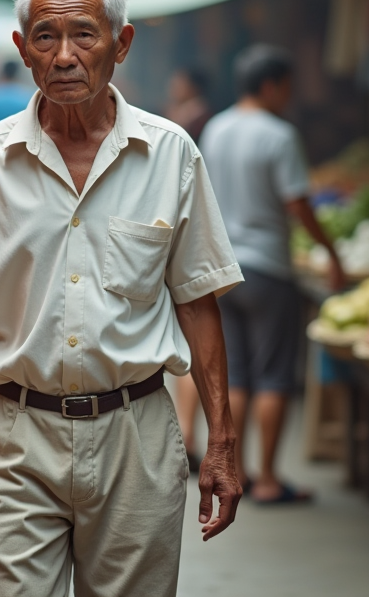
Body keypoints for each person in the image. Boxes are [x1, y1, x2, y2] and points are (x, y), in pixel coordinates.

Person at [0, 0, 244, 597]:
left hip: (138, 437)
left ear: (120, 44)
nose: (65, 55)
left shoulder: (171, 153)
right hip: (18, 438)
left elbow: (199, 303)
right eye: (46, 37)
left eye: (84, 35)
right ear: (23, 50)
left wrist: (223, 441)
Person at [199, 43, 346, 505]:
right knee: (274, 376)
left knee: (236, 375)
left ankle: (234, 473)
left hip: (222, 269)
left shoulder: (215, 129)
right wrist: (330, 250)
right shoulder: (279, 135)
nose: (289, 95)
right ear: (270, 85)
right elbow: (297, 202)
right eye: (286, 86)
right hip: (268, 268)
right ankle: (266, 479)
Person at [163, 65, 214, 469]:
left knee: (189, 337)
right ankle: (188, 432)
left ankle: (189, 433)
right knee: (185, 340)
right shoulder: (184, 117)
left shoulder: (189, 126)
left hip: (186, 237)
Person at [165, 66, 213, 143]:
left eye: (179, 83)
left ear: (194, 87)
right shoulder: (172, 111)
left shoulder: (201, 118)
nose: (173, 87)